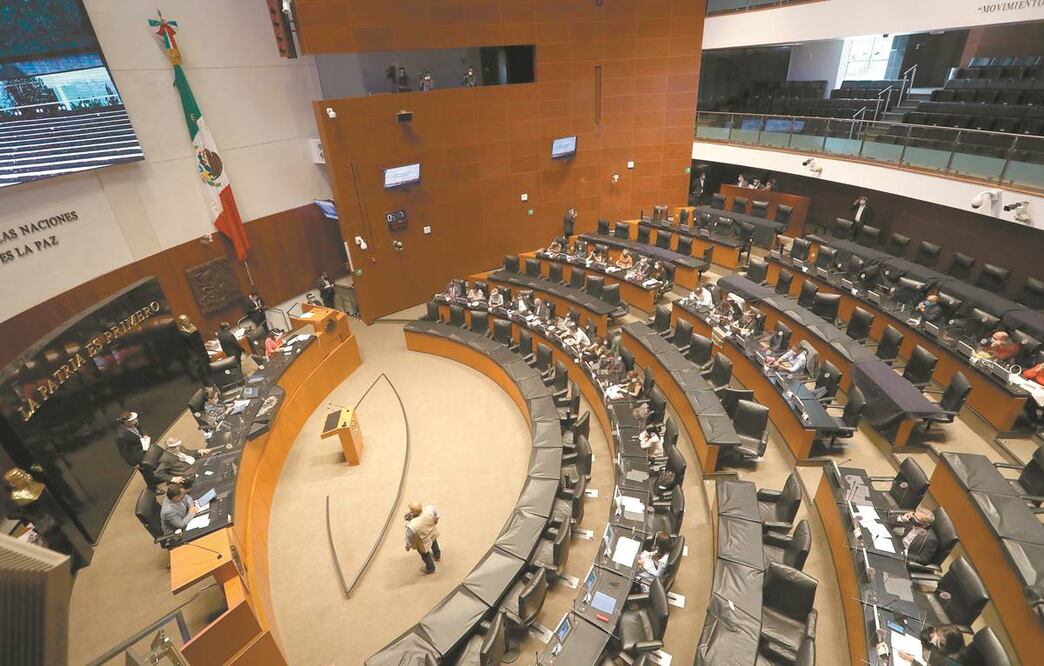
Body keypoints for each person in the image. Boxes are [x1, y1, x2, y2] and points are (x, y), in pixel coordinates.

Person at [115, 412, 158, 494]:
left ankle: (156, 479)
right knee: (146, 472)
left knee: (153, 466)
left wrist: (145, 435)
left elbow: (141, 431)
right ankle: (153, 489)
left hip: (145, 448)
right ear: (126, 422)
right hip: (137, 456)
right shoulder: (121, 436)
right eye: (133, 420)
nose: (136, 420)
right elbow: (124, 452)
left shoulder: (135, 424)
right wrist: (134, 464)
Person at [145, 437, 217, 486]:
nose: (179, 447)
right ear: (169, 448)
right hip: (189, 472)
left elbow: (189, 452)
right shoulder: (166, 458)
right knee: (212, 476)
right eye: (176, 446)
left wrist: (199, 451)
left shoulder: (179, 447)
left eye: (178, 445)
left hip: (195, 463)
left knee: (214, 459)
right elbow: (157, 473)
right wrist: (173, 479)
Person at [896, 625, 965, 666]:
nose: (932, 635)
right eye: (936, 632)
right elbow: (924, 634)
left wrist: (912, 661)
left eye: (938, 640)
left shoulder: (943, 661)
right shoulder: (939, 651)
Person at [404, 501, 441, 573]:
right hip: (432, 532)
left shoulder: (411, 525)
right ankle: (437, 556)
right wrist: (435, 522)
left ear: (413, 512)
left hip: (422, 541)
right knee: (434, 544)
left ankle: (430, 568)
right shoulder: (430, 509)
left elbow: (409, 536)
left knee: (424, 554)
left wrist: (408, 545)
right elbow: (437, 516)